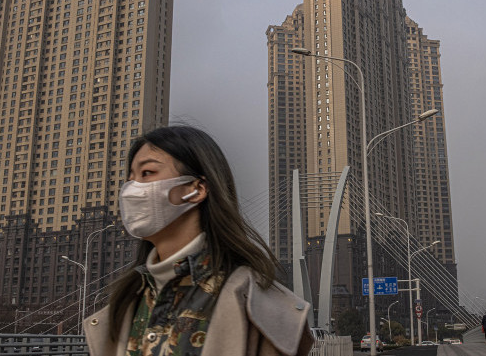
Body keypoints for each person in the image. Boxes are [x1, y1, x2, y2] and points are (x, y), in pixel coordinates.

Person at [83, 126, 314, 356]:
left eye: (147, 173)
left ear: (196, 190)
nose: (131, 189)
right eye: (130, 178)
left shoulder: (257, 306)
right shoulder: (123, 305)